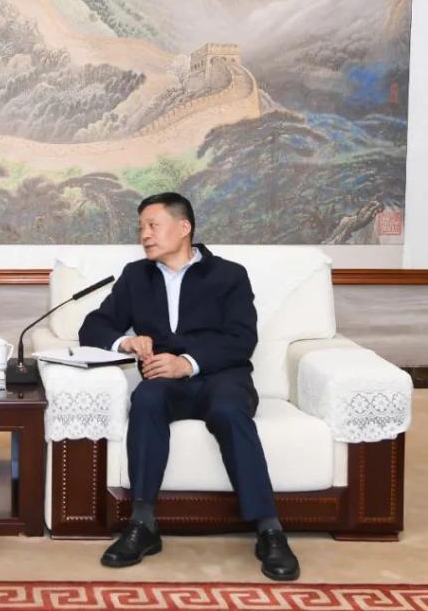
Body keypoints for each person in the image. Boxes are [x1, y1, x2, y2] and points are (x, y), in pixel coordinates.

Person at [78, 192, 300, 581]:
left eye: (153, 225)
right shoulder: (136, 276)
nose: (145, 235)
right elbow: (93, 326)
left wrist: (188, 363)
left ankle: (269, 530)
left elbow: (242, 339)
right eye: (141, 228)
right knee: (145, 399)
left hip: (223, 377)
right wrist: (125, 342)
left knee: (229, 411)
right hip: (164, 382)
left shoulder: (229, 275)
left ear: (184, 228)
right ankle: (143, 524)